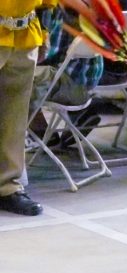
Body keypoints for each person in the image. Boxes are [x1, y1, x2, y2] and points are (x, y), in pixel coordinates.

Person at [0, 0, 58, 216]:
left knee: (15, 120)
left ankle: (8, 187)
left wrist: (43, 33)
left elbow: (47, 3)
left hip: (25, 35)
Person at [29, 5, 104, 149]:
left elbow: (43, 56)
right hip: (90, 82)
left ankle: (42, 136)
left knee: (16, 80)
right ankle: (80, 115)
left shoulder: (64, 16)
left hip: (74, 86)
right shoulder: (87, 7)